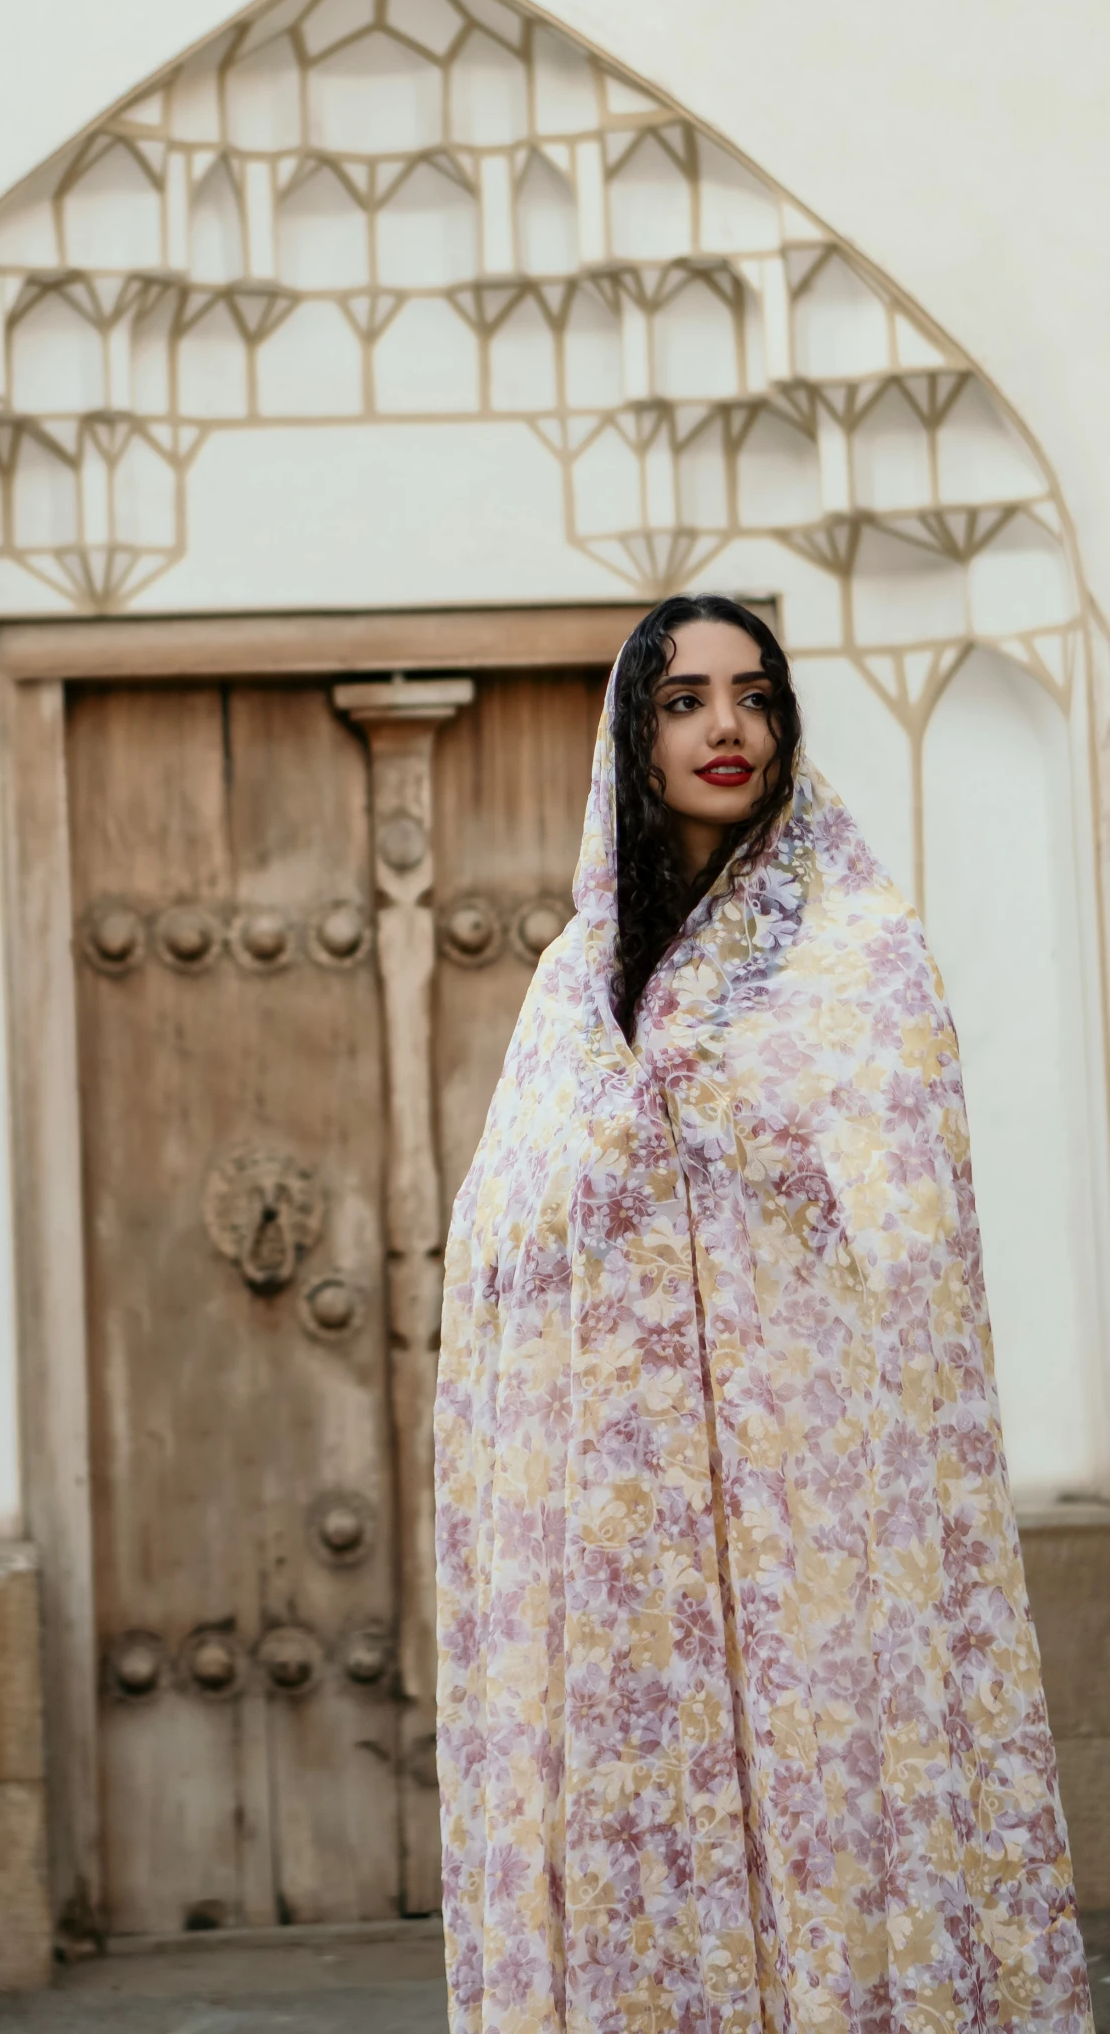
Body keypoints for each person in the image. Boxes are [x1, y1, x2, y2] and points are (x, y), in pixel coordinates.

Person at [434, 593, 1090, 2034]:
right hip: (626, 1522)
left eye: (754, 694)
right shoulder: (572, 984)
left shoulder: (860, 956)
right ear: (632, 735)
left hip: (806, 1515)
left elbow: (907, 1233)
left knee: (827, 1807)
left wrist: (719, 1121)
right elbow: (498, 1240)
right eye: (681, 701)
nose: (726, 727)